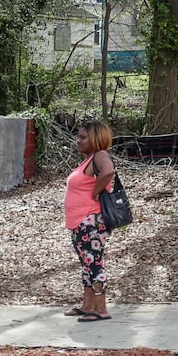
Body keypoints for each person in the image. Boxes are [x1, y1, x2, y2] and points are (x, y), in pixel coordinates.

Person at [63, 120, 117, 322]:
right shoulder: (88, 160)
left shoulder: (100, 156)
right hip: (80, 222)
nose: (79, 140)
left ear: (95, 138)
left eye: (83, 137)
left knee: (94, 264)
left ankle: (101, 309)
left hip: (91, 221)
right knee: (86, 264)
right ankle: (88, 306)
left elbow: (109, 172)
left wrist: (96, 192)